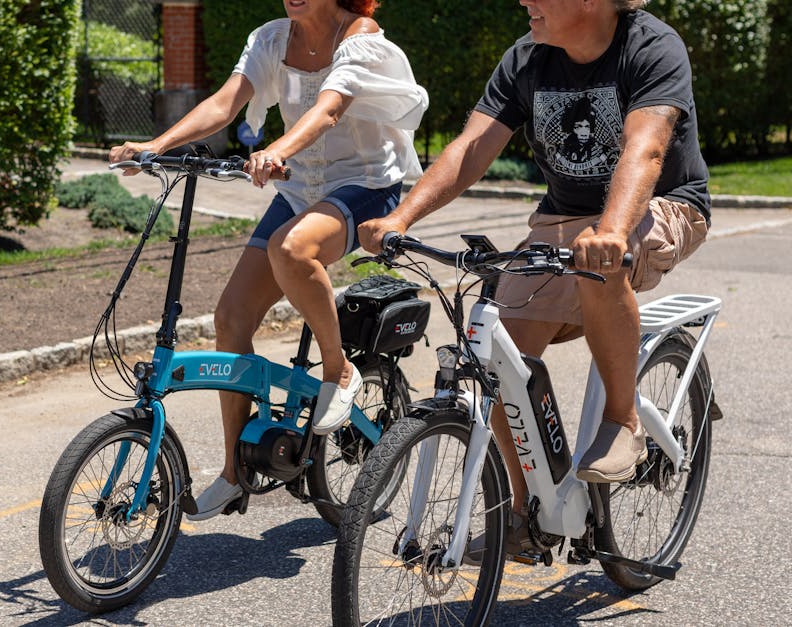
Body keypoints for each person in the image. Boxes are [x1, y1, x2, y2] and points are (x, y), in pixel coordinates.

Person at [358, 0, 709, 555]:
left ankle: (622, 421)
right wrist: (400, 218)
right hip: (564, 218)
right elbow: (471, 150)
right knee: (502, 357)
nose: (523, 1)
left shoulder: (649, 45)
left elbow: (645, 149)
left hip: (660, 207)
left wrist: (614, 230)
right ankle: (528, 510)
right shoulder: (528, 58)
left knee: (602, 266)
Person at [110, 0, 428, 521]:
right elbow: (225, 103)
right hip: (301, 189)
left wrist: (276, 149)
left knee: (292, 248)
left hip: (365, 184)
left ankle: (338, 368)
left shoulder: (361, 37)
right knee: (230, 319)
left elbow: (329, 109)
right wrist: (156, 145)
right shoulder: (272, 39)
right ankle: (236, 476)